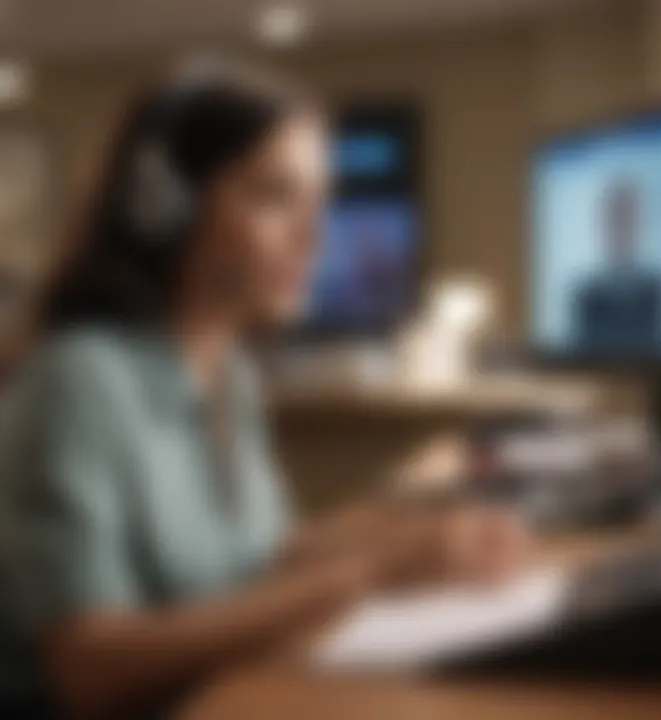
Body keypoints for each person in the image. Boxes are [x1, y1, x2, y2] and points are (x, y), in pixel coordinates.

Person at [0, 59, 527, 718]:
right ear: (165, 206)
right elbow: (90, 668)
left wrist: (408, 540)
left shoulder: (231, 374)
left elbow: (255, 559)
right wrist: (363, 579)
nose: (313, 238)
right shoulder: (76, 379)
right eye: (275, 196)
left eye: (318, 203)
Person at [573, 180, 661, 355]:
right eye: (616, 218)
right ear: (604, 224)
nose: (621, 227)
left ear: (638, 223)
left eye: (627, 218)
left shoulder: (656, 287)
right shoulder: (587, 293)